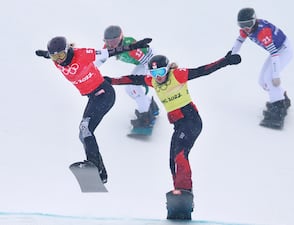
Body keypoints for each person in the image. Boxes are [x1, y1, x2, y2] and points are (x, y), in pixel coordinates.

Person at [104, 52, 241, 192]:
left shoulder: (177, 75)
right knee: (172, 160)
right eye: (154, 73)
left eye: (161, 71)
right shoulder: (153, 81)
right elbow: (133, 79)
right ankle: (179, 193)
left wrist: (225, 61)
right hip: (179, 125)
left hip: (191, 121)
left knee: (180, 155)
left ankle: (185, 190)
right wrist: (111, 81)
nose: (158, 76)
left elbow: (203, 70)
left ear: (168, 69)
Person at [35, 36, 152, 183]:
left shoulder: (83, 54)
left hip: (104, 93)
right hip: (93, 97)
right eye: (54, 57)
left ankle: (95, 167)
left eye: (61, 55)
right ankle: (101, 173)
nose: (59, 60)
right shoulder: (55, 60)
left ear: (68, 50)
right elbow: (49, 55)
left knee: (86, 129)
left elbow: (112, 51)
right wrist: (45, 54)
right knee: (83, 133)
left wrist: (135, 46)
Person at [231, 7, 293, 129]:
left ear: (254, 20)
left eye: (248, 24)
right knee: (262, 81)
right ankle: (281, 98)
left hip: (283, 51)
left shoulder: (262, 32)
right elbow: (239, 41)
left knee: (270, 79)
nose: (246, 28)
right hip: (276, 52)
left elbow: (274, 55)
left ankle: (278, 110)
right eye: (242, 25)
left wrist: (276, 76)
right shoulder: (247, 30)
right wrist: (231, 55)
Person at [103, 25, 159, 128]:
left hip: (150, 62)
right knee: (129, 89)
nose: (112, 46)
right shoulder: (107, 47)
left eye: (114, 42)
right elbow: (99, 57)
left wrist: (145, 79)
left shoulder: (131, 48)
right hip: (141, 64)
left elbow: (147, 62)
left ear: (121, 38)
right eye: (108, 42)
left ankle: (147, 118)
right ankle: (151, 106)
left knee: (134, 87)